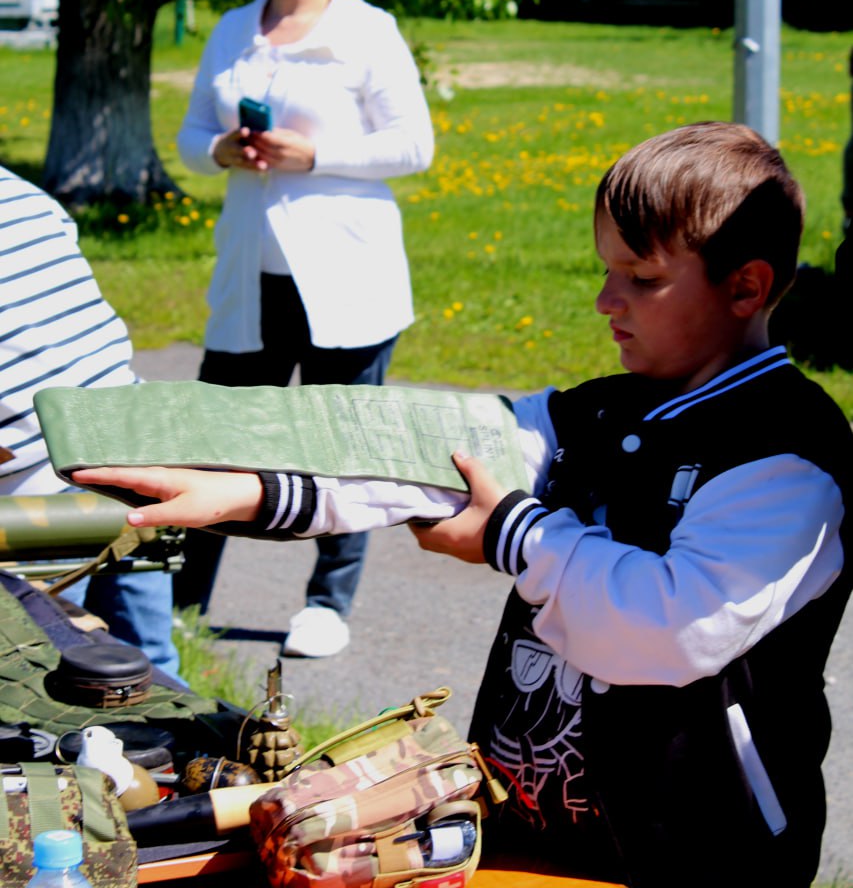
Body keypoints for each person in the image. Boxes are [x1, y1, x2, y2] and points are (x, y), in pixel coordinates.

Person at [72, 122, 852, 888]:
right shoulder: (600, 411)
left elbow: (671, 627)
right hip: (528, 833)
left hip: (696, 858)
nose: (604, 299)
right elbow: (429, 457)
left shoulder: (786, 454)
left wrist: (514, 532)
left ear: (745, 286)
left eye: (641, 279)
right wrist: (250, 489)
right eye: (605, 269)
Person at [173, 0, 434, 657]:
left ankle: (328, 601)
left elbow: (413, 145)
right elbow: (189, 136)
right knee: (219, 438)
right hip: (251, 275)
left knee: (339, 441)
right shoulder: (230, 29)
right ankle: (184, 599)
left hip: (346, 279)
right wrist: (221, 149)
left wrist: (313, 154)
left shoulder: (366, 30)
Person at [0, 164, 181, 680]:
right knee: (149, 663)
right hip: (136, 442)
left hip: (39, 495)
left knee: (50, 670)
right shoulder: (19, 191)